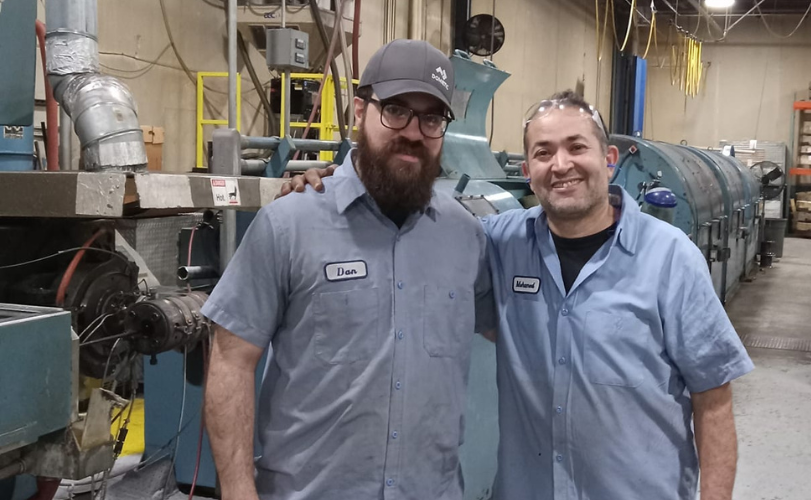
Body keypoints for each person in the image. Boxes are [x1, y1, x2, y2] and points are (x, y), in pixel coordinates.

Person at [284, 91, 753, 500]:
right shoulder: (497, 242)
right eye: (544, 153)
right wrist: (337, 186)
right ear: (528, 171)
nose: (561, 165)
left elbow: (713, 402)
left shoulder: (671, 259)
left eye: (576, 147)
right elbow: (417, 233)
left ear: (609, 159)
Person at [202, 39, 494, 500]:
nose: (414, 132)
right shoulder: (290, 223)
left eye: (431, 118)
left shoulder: (465, 235)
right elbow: (231, 360)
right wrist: (239, 491)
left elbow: (519, 327)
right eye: (395, 110)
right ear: (360, 110)